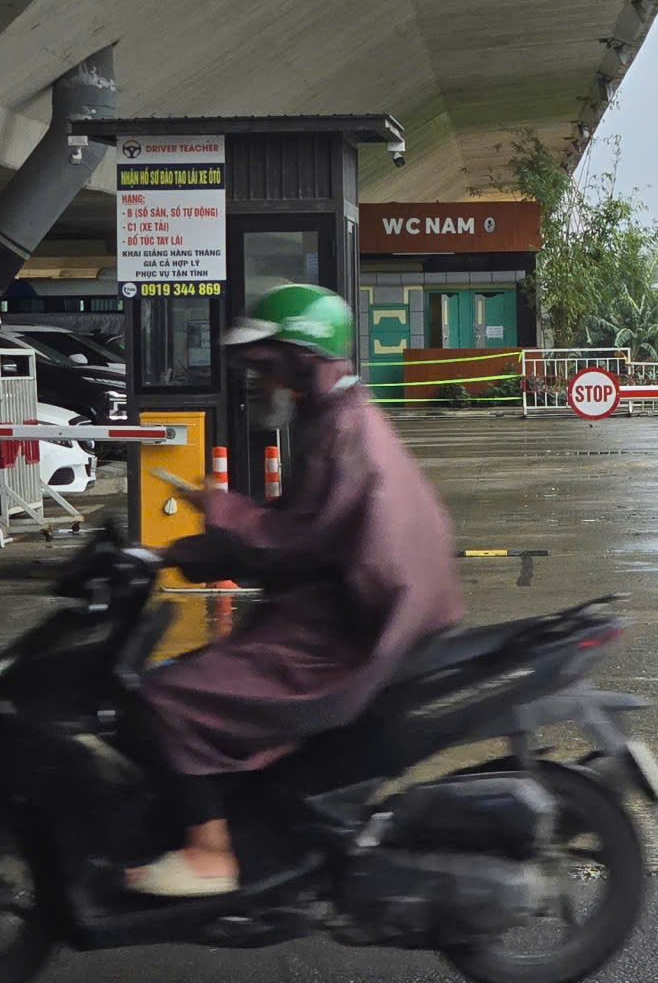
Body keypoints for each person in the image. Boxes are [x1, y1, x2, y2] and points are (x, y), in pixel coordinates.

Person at [124, 284, 462, 897]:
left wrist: (194, 535)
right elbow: (293, 532)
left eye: (265, 366)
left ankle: (209, 853)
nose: (259, 382)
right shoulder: (339, 417)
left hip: (341, 635)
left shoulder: (341, 434)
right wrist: (197, 538)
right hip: (344, 610)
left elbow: (284, 542)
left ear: (300, 360)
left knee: (168, 697)